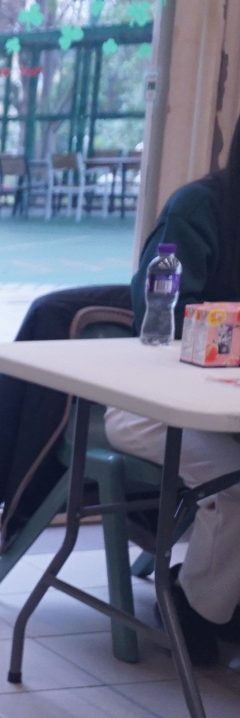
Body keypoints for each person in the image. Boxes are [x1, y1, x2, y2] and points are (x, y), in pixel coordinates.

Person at [104, 122, 240, 663]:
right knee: (235, 485)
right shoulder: (200, 208)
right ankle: (196, 609)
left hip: (226, 410)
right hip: (152, 403)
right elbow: (160, 319)